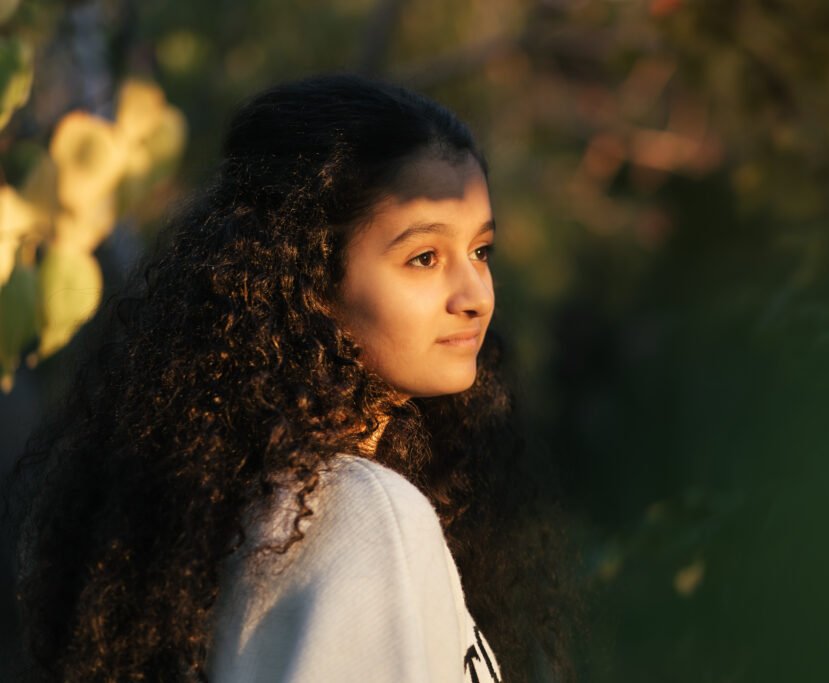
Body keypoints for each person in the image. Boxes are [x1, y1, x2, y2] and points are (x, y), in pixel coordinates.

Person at [9, 74, 575, 682]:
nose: (475, 296)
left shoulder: (243, 510)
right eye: (424, 258)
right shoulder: (366, 513)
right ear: (309, 280)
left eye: (481, 252)